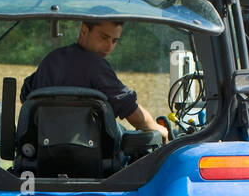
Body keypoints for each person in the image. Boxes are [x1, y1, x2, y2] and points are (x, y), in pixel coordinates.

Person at [20, 19, 168, 137]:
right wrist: (157, 129)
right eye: (104, 37)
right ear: (84, 30)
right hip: (91, 160)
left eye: (114, 41)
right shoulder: (97, 66)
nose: (109, 47)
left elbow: (26, 95)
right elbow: (132, 112)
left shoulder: (51, 59)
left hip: (41, 153)